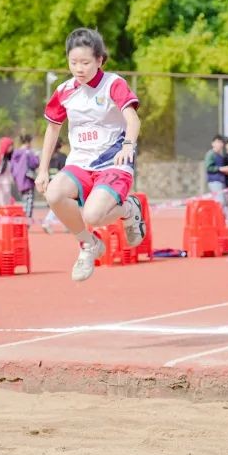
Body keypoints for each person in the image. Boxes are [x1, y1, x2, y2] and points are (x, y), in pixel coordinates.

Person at [34, 28, 146, 282]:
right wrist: (43, 169)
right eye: (73, 62)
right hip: (80, 163)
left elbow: (133, 119)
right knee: (54, 194)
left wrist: (128, 145)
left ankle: (129, 208)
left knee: (93, 216)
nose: (79, 68)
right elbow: (52, 129)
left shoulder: (113, 84)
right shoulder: (64, 90)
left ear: (99, 60)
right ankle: (88, 244)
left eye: (85, 62)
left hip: (113, 162)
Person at [40, 140, 68, 233]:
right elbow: (66, 170)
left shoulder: (47, 157)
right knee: (58, 205)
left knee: (60, 205)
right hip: (59, 183)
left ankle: (67, 225)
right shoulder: (62, 157)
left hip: (49, 183)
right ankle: (47, 222)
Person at [10, 133, 40, 218]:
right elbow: (35, 163)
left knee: (23, 201)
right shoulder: (28, 153)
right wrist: (36, 156)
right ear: (28, 142)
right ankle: (27, 220)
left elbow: (12, 167)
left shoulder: (15, 153)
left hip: (19, 181)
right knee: (29, 202)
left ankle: (23, 218)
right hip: (28, 180)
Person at [203, 135, 228, 220]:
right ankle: (218, 220)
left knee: (224, 201)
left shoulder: (220, 156)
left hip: (221, 181)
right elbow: (209, 167)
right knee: (220, 201)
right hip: (214, 181)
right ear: (213, 143)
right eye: (217, 142)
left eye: (221, 142)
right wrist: (221, 169)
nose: (219, 144)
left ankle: (224, 220)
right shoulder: (210, 154)